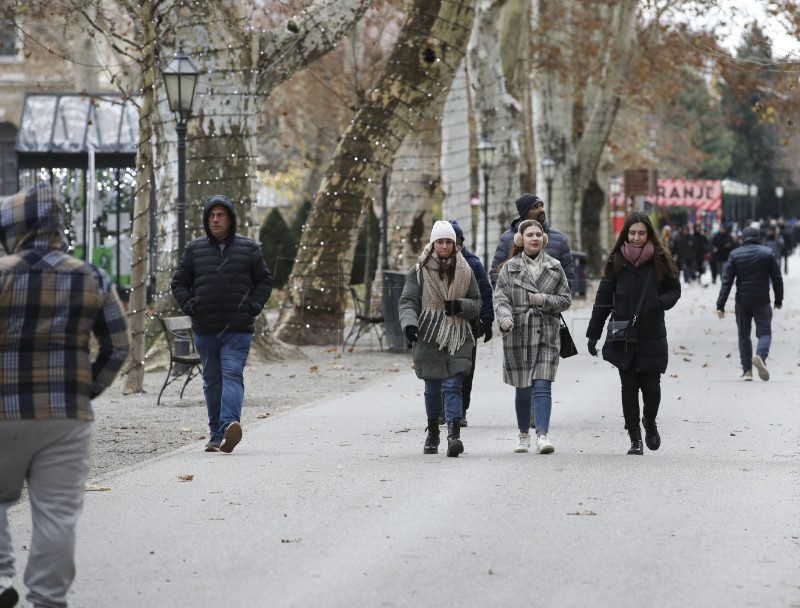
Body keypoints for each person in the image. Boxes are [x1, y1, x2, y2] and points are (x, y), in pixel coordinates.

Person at [0, 183, 130, 608]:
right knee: (56, 515)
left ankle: (1, 580)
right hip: (66, 417)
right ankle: (48, 599)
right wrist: (85, 389)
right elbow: (118, 346)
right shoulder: (90, 276)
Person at [172, 194, 272, 453]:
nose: (215, 220)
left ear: (230, 219)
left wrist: (253, 306)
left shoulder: (248, 248)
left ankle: (229, 427)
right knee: (212, 381)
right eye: (211, 216)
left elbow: (264, 281)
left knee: (232, 375)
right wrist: (191, 307)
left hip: (238, 329)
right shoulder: (194, 250)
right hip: (206, 328)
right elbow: (178, 283)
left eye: (221, 215)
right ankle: (216, 435)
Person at [586, 211, 681, 455]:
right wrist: (593, 334)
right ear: (625, 234)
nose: (636, 237)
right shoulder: (616, 260)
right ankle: (634, 437)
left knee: (651, 388)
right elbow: (603, 300)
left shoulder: (660, 258)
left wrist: (660, 303)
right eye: (632, 233)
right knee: (628, 387)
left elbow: (674, 290)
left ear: (649, 233)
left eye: (641, 233)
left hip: (652, 333)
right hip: (623, 333)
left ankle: (649, 421)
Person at [398, 221, 481, 457]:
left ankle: (454, 435)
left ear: (455, 244)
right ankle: (433, 430)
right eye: (440, 241)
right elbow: (407, 302)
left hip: (458, 334)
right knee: (432, 387)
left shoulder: (466, 270)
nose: (444, 246)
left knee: (453, 384)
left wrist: (460, 306)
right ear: (433, 244)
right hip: (428, 334)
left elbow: (477, 303)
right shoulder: (418, 272)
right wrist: (409, 324)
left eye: (449, 242)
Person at [493, 219, 571, 454]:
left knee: (542, 385)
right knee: (523, 388)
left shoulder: (555, 266)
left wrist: (544, 300)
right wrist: (505, 318)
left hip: (547, 333)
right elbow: (500, 298)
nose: (535, 238)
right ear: (521, 240)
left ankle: (543, 435)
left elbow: (566, 299)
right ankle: (523, 434)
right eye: (530, 235)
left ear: (543, 239)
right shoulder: (509, 268)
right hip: (518, 335)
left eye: (538, 234)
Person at [715, 226, 783, 382]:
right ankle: (760, 355)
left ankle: (747, 371)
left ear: (742, 238)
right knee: (764, 333)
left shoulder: (735, 254)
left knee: (743, 335)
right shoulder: (767, 253)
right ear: (758, 237)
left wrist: (720, 305)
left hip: (742, 301)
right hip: (762, 300)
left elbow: (727, 282)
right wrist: (778, 300)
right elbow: (777, 279)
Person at [449, 220, 493, 427]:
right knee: (440, 369)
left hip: (468, 326)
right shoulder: (433, 263)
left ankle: (461, 409)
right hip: (440, 327)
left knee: (465, 370)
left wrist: (487, 320)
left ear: (461, 240)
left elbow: (485, 292)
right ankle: (444, 408)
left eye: (453, 239)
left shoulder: (473, 264)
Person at [489, 193, 576, 290]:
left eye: (541, 206)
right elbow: (495, 274)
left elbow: (568, 275)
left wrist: (551, 298)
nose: (541, 210)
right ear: (524, 213)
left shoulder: (559, 238)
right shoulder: (507, 238)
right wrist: (512, 298)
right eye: (535, 207)